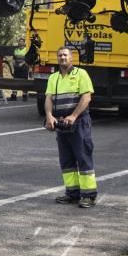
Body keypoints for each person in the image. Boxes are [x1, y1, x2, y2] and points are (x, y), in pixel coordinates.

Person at [45, 47, 97, 208]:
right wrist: (49, 116)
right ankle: (72, 193)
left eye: (65, 55)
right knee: (66, 161)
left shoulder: (81, 74)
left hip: (79, 123)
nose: (62, 58)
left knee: (83, 158)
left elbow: (86, 97)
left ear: (71, 58)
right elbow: (49, 98)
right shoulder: (54, 77)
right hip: (62, 125)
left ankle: (88, 196)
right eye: (59, 55)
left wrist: (73, 116)